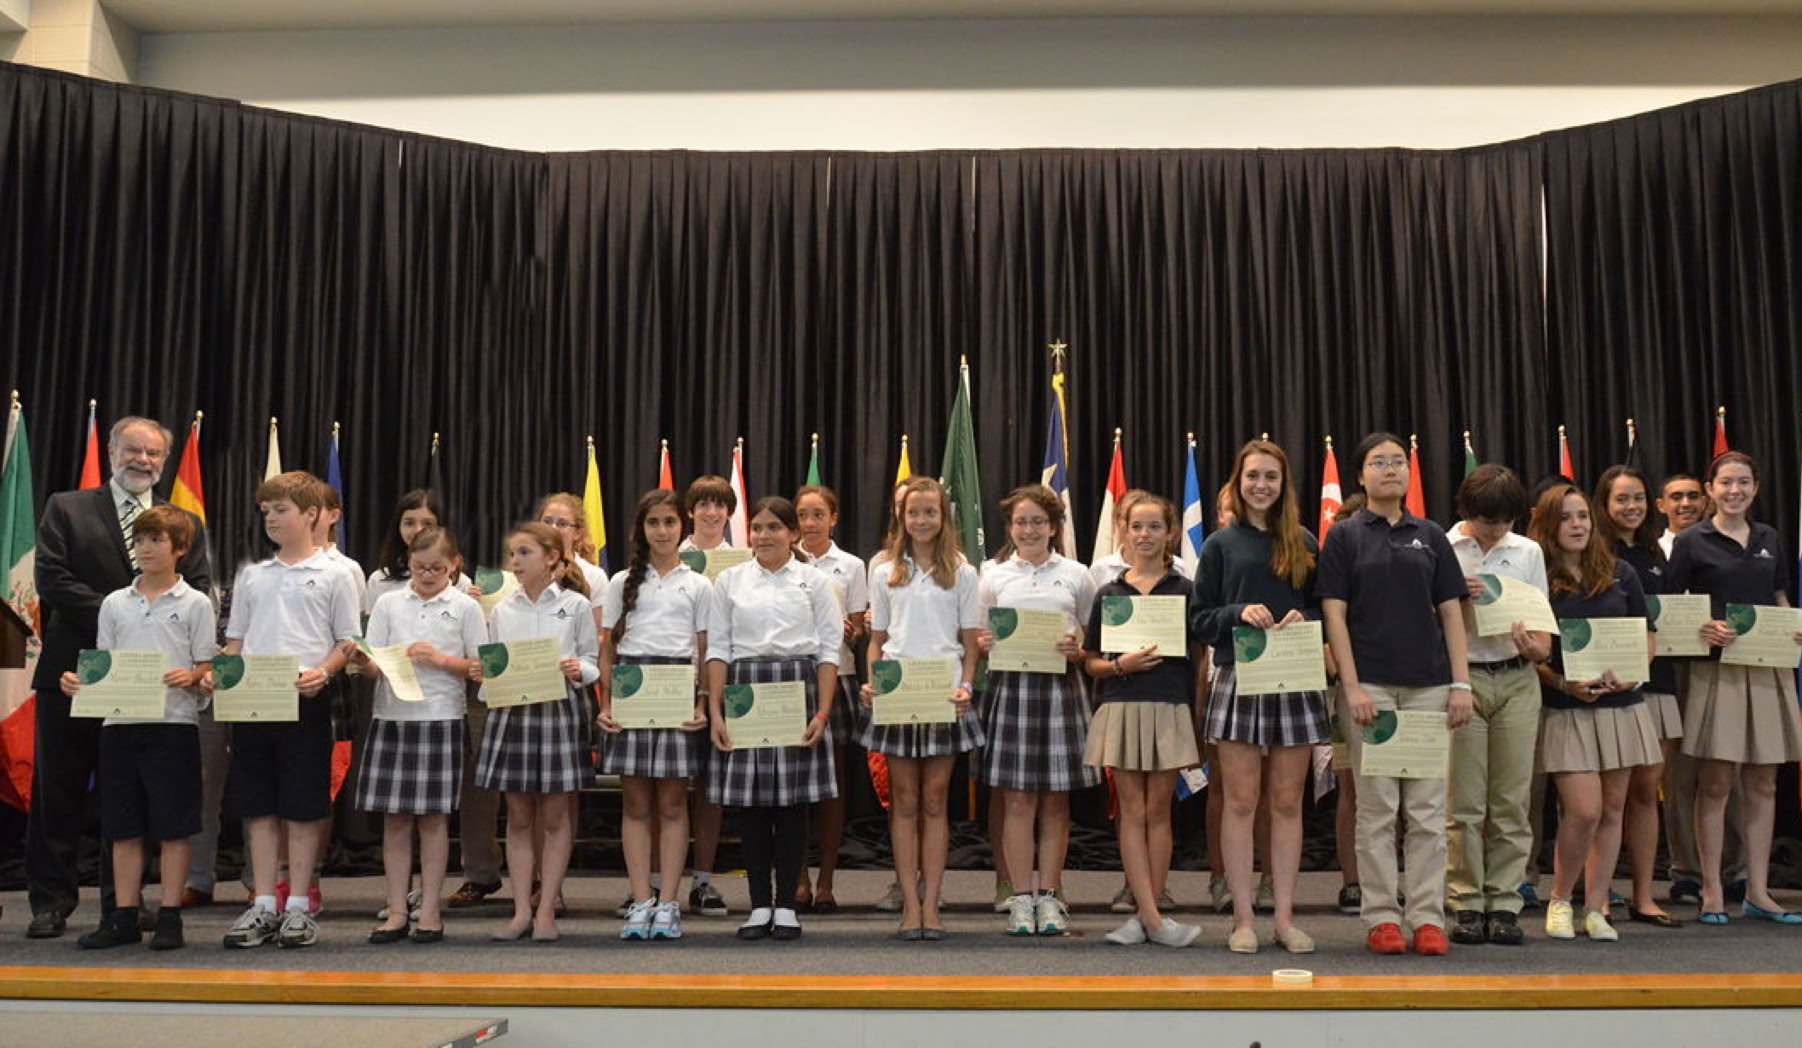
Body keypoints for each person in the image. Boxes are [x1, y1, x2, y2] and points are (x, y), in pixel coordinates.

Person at [28, 416, 212, 939]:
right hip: (75, 670)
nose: (143, 460)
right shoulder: (68, 507)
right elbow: (52, 579)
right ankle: (50, 902)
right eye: (133, 449)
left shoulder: (181, 520)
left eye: (153, 453)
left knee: (127, 796)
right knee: (58, 791)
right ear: (111, 451)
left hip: (154, 688)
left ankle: (122, 906)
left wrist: (138, 623)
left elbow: (196, 584)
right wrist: (123, 613)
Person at [1319, 433, 1470, 957]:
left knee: (1428, 811)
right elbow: (1333, 614)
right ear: (1360, 476)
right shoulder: (1344, 537)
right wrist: (1352, 684)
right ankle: (1382, 915)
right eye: (1379, 463)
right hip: (1372, 690)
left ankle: (1427, 916)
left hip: (1429, 687)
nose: (1390, 469)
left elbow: (1452, 612)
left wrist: (1461, 683)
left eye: (1398, 462)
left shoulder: (1430, 535)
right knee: (1377, 809)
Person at [58, 506, 214, 950]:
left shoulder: (195, 603)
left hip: (172, 723)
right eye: (140, 540)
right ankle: (123, 914)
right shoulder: (114, 602)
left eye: (156, 540)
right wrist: (77, 682)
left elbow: (206, 663)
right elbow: (103, 664)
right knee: (122, 826)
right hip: (119, 724)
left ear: (179, 549)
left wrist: (192, 675)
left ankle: (169, 915)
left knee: (173, 825)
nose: (144, 548)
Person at [1193, 439, 1326, 954]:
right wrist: (1237, 613)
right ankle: (1243, 919)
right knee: (1241, 800)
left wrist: (1304, 619)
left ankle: (1285, 918)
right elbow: (1200, 619)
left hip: (1294, 678)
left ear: (1283, 482)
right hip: (1238, 678)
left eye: (1271, 476)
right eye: (1252, 476)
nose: (1261, 485)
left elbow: (1328, 611)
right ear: (1238, 481)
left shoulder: (1306, 541)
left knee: (1288, 802)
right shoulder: (1220, 545)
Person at [218, 471, 359, 949]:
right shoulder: (253, 575)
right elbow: (236, 640)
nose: (272, 519)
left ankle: (298, 902)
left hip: (305, 699)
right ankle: (262, 902)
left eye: (282, 510)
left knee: (302, 806)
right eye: (266, 511)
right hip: (254, 700)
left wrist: (325, 670)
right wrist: (219, 670)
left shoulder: (336, 573)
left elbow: (348, 639)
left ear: (313, 514)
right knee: (257, 806)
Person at [1666, 451, 1802, 925]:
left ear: (1756, 488)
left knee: (1763, 781)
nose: (1735, 491)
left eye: (1744, 482)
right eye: (1726, 483)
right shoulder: (1690, 540)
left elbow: (1781, 595)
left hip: (1768, 667)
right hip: (1716, 670)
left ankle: (1759, 891)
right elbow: (1671, 609)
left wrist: (1792, 625)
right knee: (1717, 782)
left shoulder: (1770, 538)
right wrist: (1702, 626)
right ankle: (1710, 888)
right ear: (1711, 488)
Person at [1528, 484, 1661, 942]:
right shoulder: (1538, 580)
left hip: (1620, 707)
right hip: (1566, 708)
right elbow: (1534, 656)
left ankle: (1596, 907)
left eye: (1583, 515)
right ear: (1548, 525)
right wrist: (1564, 683)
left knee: (1612, 809)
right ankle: (1561, 899)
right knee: (1581, 811)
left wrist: (1633, 674)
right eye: (1566, 517)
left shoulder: (1621, 572)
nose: (1578, 525)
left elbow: (1647, 634)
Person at [706, 497, 841, 941]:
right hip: (744, 688)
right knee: (750, 806)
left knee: (791, 804)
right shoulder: (729, 581)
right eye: (758, 528)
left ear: (792, 533)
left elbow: (827, 651)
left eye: (774, 528)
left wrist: (822, 711)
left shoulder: (815, 582)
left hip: (795, 688)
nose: (764, 536)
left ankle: (787, 905)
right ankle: (759, 904)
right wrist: (716, 710)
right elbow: (718, 648)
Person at [860, 477, 985, 940]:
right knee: (904, 803)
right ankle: (908, 906)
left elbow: (970, 644)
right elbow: (876, 643)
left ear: (943, 517)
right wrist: (874, 684)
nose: (922, 520)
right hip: (899, 695)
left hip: (944, 697)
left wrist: (967, 685)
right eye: (914, 513)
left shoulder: (963, 572)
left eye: (930, 512)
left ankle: (933, 905)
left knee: (935, 801)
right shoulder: (883, 572)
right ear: (902, 517)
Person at [355, 526, 486, 945]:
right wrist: (376, 663)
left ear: (454, 566)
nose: (427, 575)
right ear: (407, 563)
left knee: (433, 820)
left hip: (441, 716)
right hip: (392, 716)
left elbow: (481, 667)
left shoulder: (466, 607)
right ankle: (396, 909)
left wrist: (441, 659)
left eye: (437, 568)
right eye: (419, 567)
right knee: (394, 820)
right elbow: (369, 659)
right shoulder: (390, 602)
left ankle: (430, 909)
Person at [977, 484, 1097, 936]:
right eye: (1021, 522)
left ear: (1053, 527)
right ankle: (1020, 898)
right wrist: (985, 646)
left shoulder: (1078, 574)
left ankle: (1050, 898)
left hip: (1062, 690)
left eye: (1038, 522)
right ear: (1010, 528)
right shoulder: (992, 576)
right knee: (1017, 799)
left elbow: (1090, 637)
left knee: (1055, 800)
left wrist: (1079, 648)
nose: (1029, 529)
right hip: (1011, 691)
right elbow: (977, 638)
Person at [1083, 494, 1203, 949]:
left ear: (1170, 532)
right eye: (1137, 527)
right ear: (1124, 531)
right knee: (1131, 812)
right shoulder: (1110, 593)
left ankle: (1146, 912)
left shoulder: (1185, 590)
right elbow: (1090, 661)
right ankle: (1150, 916)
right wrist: (1120, 666)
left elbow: (1201, 659)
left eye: (1155, 527)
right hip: (1122, 704)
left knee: (1160, 811)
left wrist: (1198, 713)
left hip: (1170, 706)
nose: (1145, 535)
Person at [472, 522, 598, 942]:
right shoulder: (502, 610)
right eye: (512, 555)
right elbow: (493, 670)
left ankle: (547, 909)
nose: (515, 562)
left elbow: (592, 661)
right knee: (520, 815)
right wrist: (486, 678)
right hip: (513, 714)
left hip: (558, 712)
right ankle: (521, 908)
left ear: (551, 559)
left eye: (524, 553)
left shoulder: (576, 605)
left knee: (557, 814)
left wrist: (580, 670)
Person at [1444, 464, 1551, 947]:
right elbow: (1420, 621)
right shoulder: (1443, 547)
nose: (1495, 531)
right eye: (1487, 522)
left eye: (1505, 522)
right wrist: (1448, 600)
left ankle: (1504, 901)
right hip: (1462, 681)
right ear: (1467, 513)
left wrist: (1535, 648)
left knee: (1511, 801)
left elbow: (1544, 634)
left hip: (1516, 679)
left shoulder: (1528, 551)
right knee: (1464, 802)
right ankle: (1466, 900)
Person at [599, 490, 713, 941]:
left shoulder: (698, 584)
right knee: (636, 803)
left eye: (669, 523)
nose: (662, 531)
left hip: (677, 691)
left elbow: (705, 651)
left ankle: (668, 901)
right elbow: (607, 647)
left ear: (681, 527)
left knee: (671, 802)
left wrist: (702, 702)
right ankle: (639, 899)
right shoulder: (621, 581)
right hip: (632, 689)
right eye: (654, 524)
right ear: (641, 530)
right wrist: (605, 704)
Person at [1592, 465, 1682, 927]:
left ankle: (1645, 896)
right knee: (1607, 800)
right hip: (1607, 690)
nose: (1632, 507)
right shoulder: (1593, 554)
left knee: (1647, 792)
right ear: (1603, 505)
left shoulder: (1656, 554)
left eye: (1640, 498)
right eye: (1622, 499)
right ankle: (1598, 896)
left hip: (1657, 684)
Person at [1655, 472, 1743, 905]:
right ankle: (1686, 871)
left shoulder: (1730, 542)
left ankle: (1736, 869)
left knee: (1731, 769)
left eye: (1693, 495)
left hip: (1731, 663)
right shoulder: (1654, 550)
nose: (1686, 502)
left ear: (1705, 499)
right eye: (1677, 496)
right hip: (1678, 668)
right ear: (1661, 504)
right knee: (1681, 770)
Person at [794, 484, 868, 913]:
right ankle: (798, 878)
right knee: (795, 785)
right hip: (794, 677)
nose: (810, 523)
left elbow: (858, 630)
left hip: (837, 676)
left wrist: (850, 630)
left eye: (818, 514)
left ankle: (826, 881)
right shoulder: (783, 559)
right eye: (803, 515)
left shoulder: (851, 566)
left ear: (833, 518)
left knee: (832, 785)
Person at [673, 475, 737, 917]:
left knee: (711, 790)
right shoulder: (669, 557)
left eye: (719, 506)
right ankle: (655, 884)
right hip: (672, 684)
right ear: (689, 511)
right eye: (703, 505)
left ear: (730, 513)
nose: (711, 513)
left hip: (726, 682)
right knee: (667, 790)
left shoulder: (744, 562)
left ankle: (703, 881)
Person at [1326, 492, 1367, 916]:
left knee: (1394, 788)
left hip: (1395, 686)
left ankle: (1384, 879)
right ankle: (1352, 881)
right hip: (1346, 692)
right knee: (1351, 791)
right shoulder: (1335, 570)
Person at [1656, 474, 1708, 558]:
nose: (1686, 503)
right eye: (1676, 498)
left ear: (1703, 503)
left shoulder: (1720, 548)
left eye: (1693, 497)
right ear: (1661, 505)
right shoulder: (1652, 552)